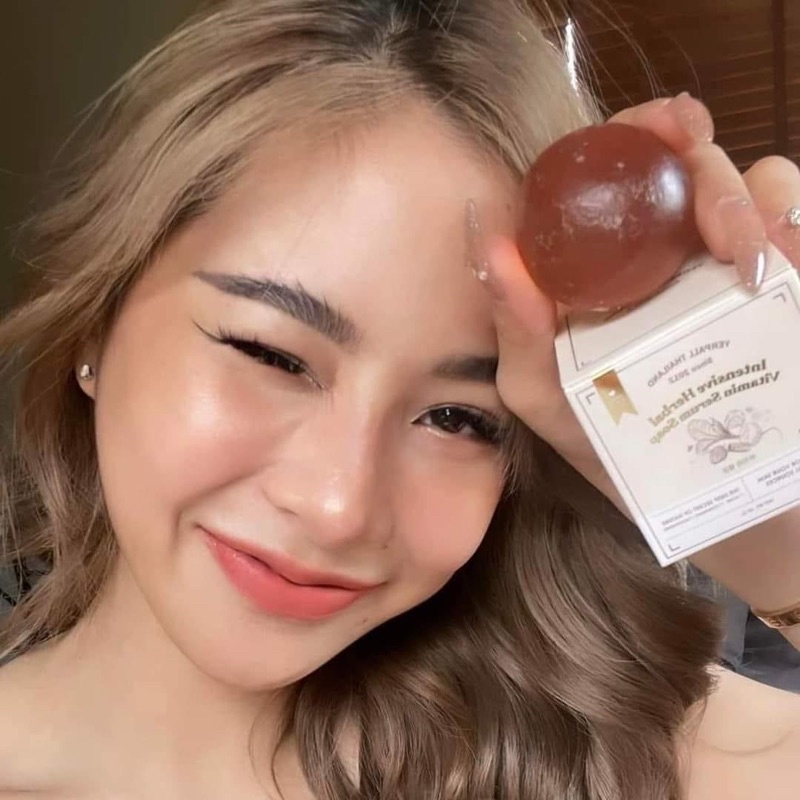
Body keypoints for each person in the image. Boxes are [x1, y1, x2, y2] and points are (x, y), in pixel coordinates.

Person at [0, 1, 799, 797]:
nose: (338, 508)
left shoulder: (628, 758)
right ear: (95, 328)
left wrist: (776, 533)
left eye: (458, 419)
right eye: (272, 356)